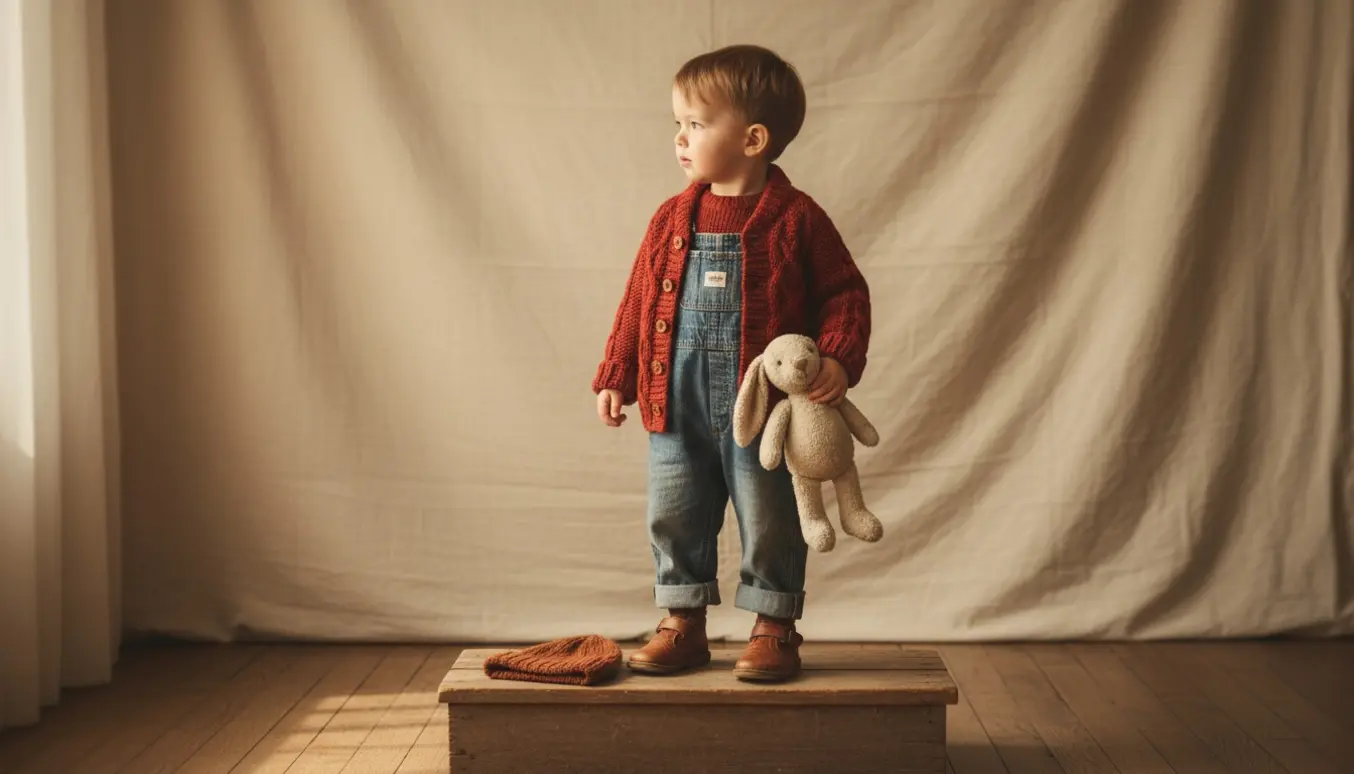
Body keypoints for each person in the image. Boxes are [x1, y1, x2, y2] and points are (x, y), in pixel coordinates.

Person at [592, 44, 871, 682]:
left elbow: (845, 293)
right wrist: (617, 373)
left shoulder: (796, 219)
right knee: (674, 509)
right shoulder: (671, 218)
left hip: (764, 413)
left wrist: (837, 357)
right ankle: (682, 620)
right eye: (677, 124)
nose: (679, 139)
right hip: (674, 401)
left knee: (770, 514)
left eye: (695, 123)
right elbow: (638, 298)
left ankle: (774, 623)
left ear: (752, 138)